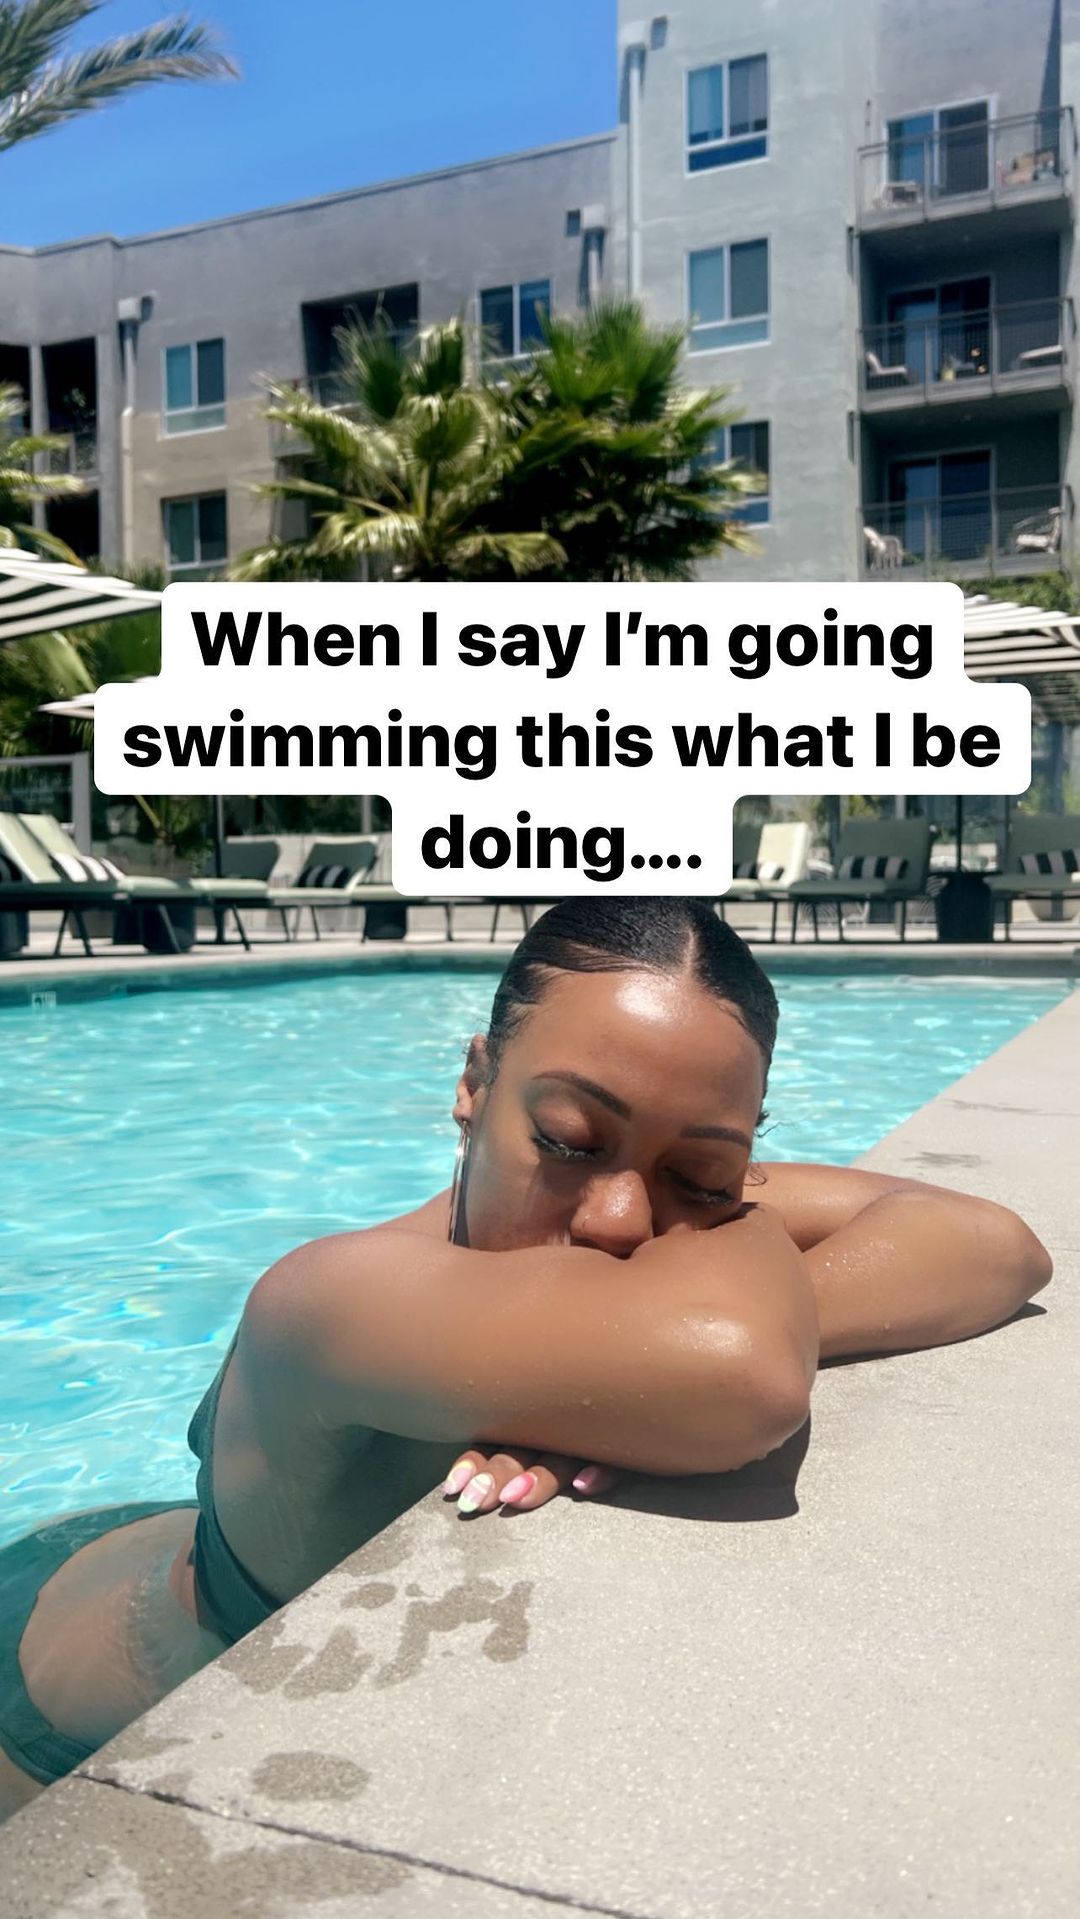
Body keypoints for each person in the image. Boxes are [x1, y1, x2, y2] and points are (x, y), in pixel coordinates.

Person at [0, 898, 1051, 1818]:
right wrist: (699, 1269)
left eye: (701, 1174)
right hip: (56, 1701)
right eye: (569, 1140)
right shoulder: (327, 1298)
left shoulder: (631, 1217)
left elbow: (995, 1244)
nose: (622, 1220)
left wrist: (642, 1334)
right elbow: (745, 1373)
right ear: (474, 1083)